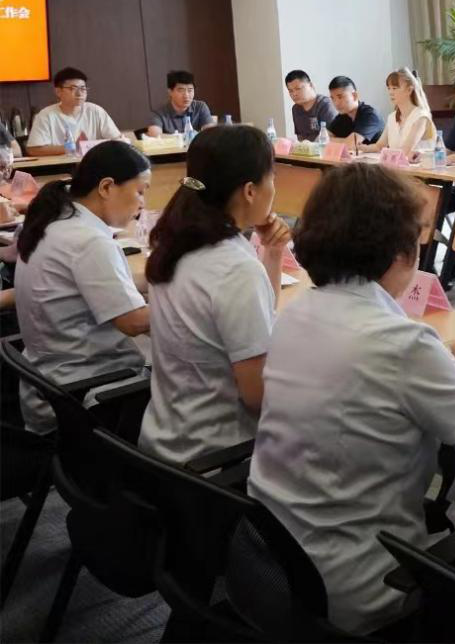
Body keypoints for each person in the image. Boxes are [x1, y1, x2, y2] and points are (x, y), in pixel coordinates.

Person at [247, 162, 455, 635]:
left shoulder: (297, 313)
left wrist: (445, 355)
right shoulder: (401, 344)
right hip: (363, 587)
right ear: (401, 253)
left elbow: (362, 370)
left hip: (274, 566)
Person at [138, 126, 291, 465]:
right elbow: (258, 397)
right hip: (215, 458)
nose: (274, 188)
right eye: (273, 178)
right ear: (250, 191)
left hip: (165, 441)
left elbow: (259, 312)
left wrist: (273, 252)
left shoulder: (178, 242)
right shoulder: (234, 268)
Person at [14, 142, 151, 433]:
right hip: (87, 394)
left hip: (50, 386)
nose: (142, 203)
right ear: (106, 187)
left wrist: (158, 280)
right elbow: (134, 322)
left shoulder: (55, 221)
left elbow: (97, 286)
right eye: (140, 191)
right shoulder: (89, 241)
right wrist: (184, 303)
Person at [26, 67, 124, 156]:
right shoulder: (45, 115)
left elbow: (118, 140)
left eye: (83, 88)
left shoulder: (95, 111)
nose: (79, 93)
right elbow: (34, 150)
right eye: (73, 88)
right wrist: (73, 148)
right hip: (62, 167)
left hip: (95, 165)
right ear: (58, 92)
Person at [361, 68, 436, 158]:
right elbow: (379, 146)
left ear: (409, 90)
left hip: (422, 166)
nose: (390, 92)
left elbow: (406, 150)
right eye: (389, 88)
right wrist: (362, 147)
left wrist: (386, 154)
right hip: (398, 165)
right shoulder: (392, 117)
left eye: (395, 88)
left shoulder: (421, 116)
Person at [146, 70, 214, 136]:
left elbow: (211, 133)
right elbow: (154, 135)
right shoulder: (159, 113)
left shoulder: (200, 107)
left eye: (190, 90)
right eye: (181, 90)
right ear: (170, 92)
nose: (186, 95)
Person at [327, 76, 384, 146]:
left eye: (340, 97)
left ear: (354, 96)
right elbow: (323, 139)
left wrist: (332, 140)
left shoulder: (370, 115)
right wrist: (345, 141)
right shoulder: (342, 115)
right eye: (333, 98)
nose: (336, 103)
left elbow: (352, 144)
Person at [285, 69, 338, 142]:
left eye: (298, 89)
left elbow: (332, 137)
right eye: (290, 91)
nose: (294, 94)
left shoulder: (325, 105)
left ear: (311, 85)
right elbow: (300, 138)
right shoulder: (296, 109)